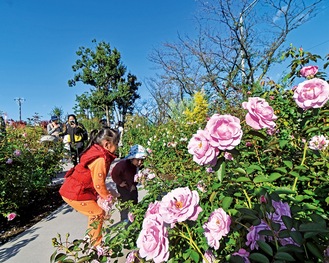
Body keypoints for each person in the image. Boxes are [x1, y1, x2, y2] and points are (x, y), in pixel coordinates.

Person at [59, 127, 120, 246]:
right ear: (107, 144)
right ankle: (96, 245)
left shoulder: (96, 152)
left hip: (75, 190)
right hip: (75, 193)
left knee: (95, 212)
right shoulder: (100, 159)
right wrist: (108, 198)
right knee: (98, 213)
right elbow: (99, 185)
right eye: (116, 143)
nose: (117, 146)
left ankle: (91, 237)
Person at [111, 144, 148, 222]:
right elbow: (114, 174)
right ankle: (124, 218)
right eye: (138, 160)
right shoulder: (122, 165)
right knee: (124, 202)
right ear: (132, 159)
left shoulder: (137, 166)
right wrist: (120, 182)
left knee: (134, 199)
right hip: (123, 187)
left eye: (141, 160)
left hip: (132, 186)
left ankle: (135, 215)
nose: (140, 162)